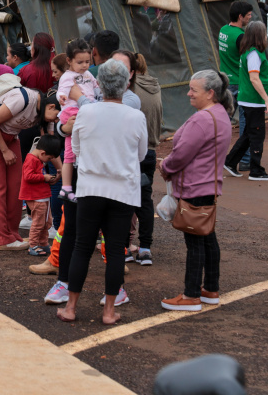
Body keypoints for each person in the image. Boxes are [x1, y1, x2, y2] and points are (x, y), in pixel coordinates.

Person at [56, 59, 147, 325]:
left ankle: (71, 307)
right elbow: (140, 154)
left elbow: (78, 150)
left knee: (82, 246)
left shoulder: (87, 112)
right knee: (116, 250)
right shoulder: (135, 115)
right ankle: (108, 311)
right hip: (123, 190)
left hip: (90, 187)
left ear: (100, 85)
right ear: (126, 83)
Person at [157, 70, 234, 311]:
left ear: (210, 93)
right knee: (207, 237)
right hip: (207, 186)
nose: (189, 93)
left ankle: (191, 295)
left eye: (194, 90)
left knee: (196, 242)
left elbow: (181, 153)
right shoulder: (219, 114)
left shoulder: (203, 119)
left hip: (194, 187)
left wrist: (165, 166)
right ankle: (210, 288)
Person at [0, 85, 61, 251]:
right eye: (56, 117)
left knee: (16, 186)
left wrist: (61, 170)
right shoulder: (23, 98)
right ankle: (1, 239)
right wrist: (5, 151)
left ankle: (12, 234)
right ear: (50, 107)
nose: (56, 121)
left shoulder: (45, 114)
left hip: (11, 137)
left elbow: (50, 145)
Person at [224, 21, 268, 181]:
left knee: (248, 134)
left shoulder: (248, 52)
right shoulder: (254, 54)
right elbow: (254, 79)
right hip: (253, 100)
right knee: (257, 135)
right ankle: (256, 170)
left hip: (248, 99)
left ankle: (230, 161)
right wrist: (267, 100)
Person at [129, 54, 163, 265]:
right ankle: (145, 248)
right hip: (150, 150)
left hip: (132, 150)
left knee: (123, 200)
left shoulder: (130, 90)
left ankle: (123, 246)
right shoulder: (155, 85)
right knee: (145, 200)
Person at [55, 38, 98, 203]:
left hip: (82, 110)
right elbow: (61, 91)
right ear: (69, 61)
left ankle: (67, 188)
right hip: (72, 111)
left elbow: (96, 87)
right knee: (73, 151)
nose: (85, 65)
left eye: (87, 61)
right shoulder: (68, 76)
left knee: (70, 153)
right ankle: (69, 186)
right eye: (80, 62)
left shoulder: (87, 74)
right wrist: (62, 96)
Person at [218, 0, 253, 171]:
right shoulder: (241, 36)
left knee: (222, 122)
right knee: (245, 123)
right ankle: (245, 159)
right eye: (248, 15)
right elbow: (248, 60)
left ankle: (215, 157)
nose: (250, 18)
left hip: (226, 82)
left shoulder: (223, 30)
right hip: (240, 83)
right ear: (240, 17)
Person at [21, 134, 63, 256]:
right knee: (39, 223)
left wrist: (50, 179)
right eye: (49, 158)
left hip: (43, 195)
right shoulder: (31, 160)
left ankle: (43, 244)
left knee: (47, 222)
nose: (50, 161)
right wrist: (44, 177)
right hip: (36, 197)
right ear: (43, 153)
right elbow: (28, 176)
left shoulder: (38, 159)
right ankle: (33, 245)